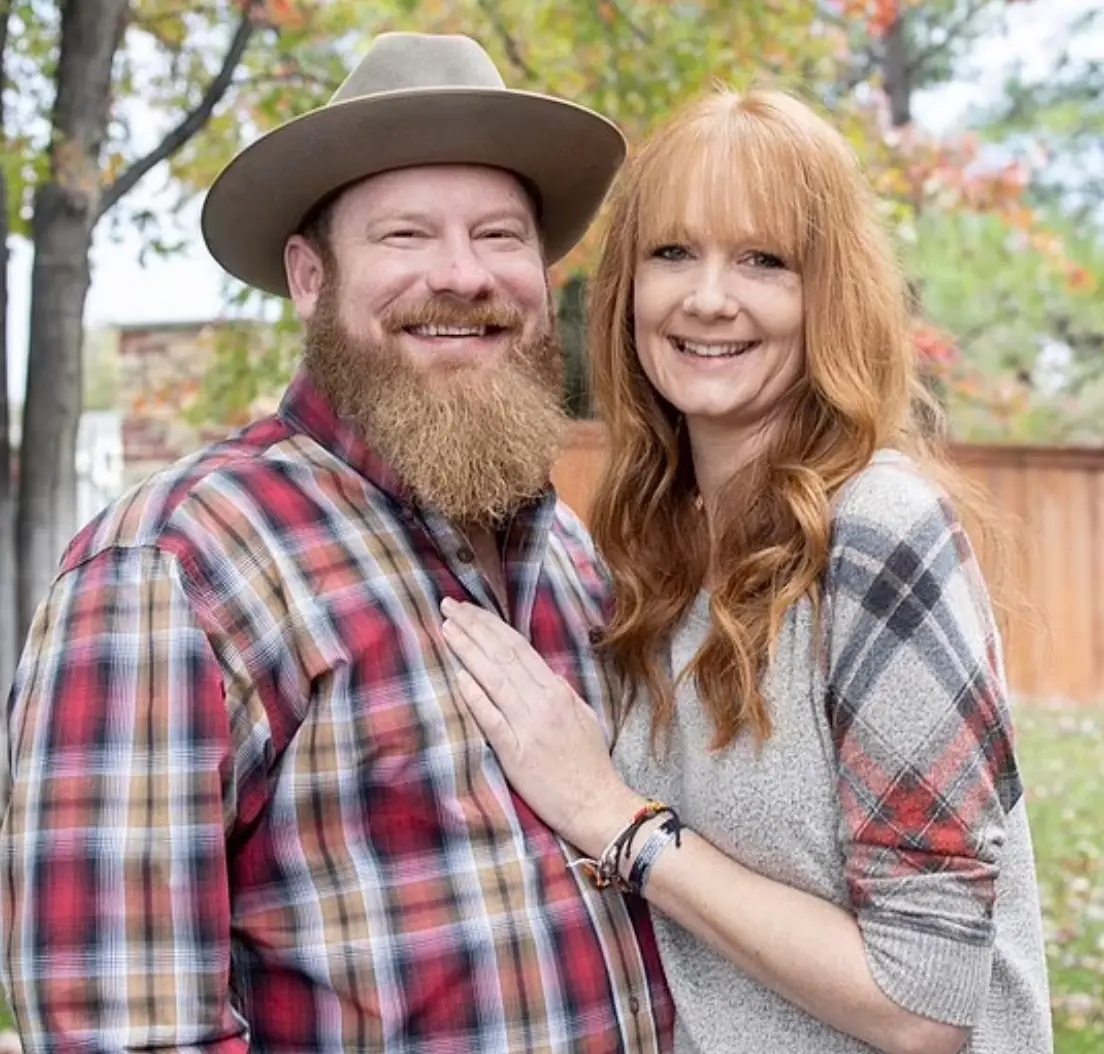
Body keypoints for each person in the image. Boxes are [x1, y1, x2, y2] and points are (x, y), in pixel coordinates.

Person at [0, 32, 674, 1052]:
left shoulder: (570, 553)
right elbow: (125, 1028)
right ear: (311, 276)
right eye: (406, 235)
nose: (463, 275)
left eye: (499, 235)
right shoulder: (173, 568)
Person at [439, 87, 1053, 1054]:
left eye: (764, 259)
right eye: (672, 252)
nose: (708, 296)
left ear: (827, 294)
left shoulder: (881, 534)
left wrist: (612, 816)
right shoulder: (654, 551)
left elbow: (924, 1005)